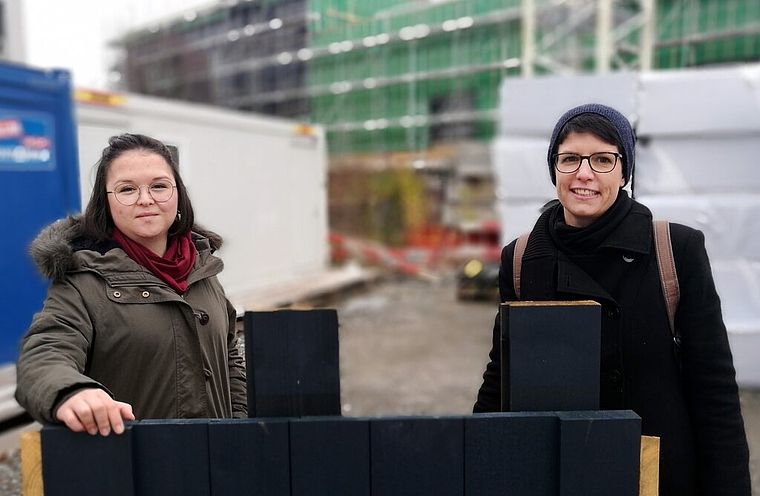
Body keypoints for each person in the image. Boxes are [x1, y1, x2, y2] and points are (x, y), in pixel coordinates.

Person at [473, 103, 751, 494]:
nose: (584, 173)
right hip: (560, 472)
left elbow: (714, 389)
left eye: (603, 159)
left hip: (656, 476)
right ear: (554, 167)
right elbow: (503, 377)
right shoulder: (521, 260)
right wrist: (476, 464)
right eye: (570, 158)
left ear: (624, 172)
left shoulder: (675, 249)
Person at [16, 133, 247, 437]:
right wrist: (72, 392)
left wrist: (243, 426)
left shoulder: (203, 269)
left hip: (218, 467)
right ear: (106, 202)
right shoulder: (83, 281)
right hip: (136, 470)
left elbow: (229, 355)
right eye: (127, 189)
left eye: (159, 186)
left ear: (178, 195)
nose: (146, 199)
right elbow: (45, 353)